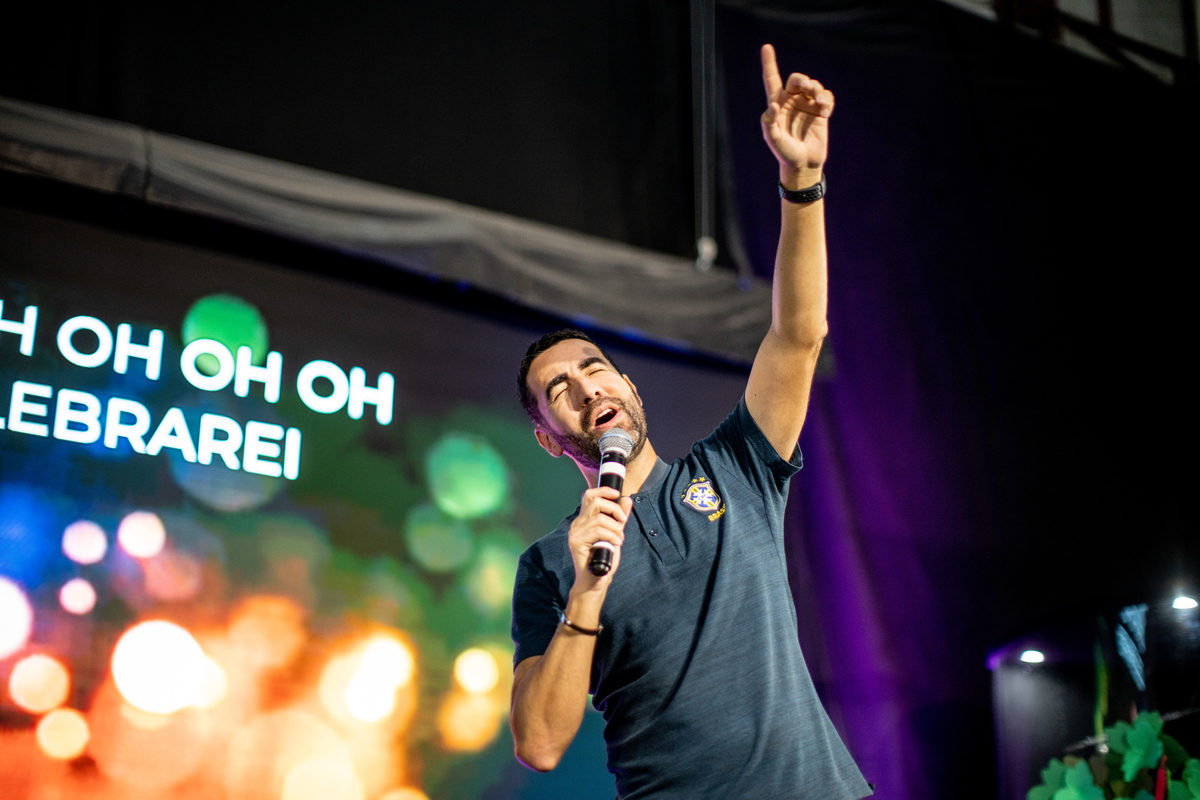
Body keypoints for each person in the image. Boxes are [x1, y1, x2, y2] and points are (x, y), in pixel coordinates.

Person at [508, 44, 872, 799]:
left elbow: (799, 337)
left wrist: (801, 182)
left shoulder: (734, 469)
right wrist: (585, 592)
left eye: (595, 367)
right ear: (549, 435)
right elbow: (539, 743)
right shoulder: (551, 563)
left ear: (629, 386)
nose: (585, 388)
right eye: (560, 391)